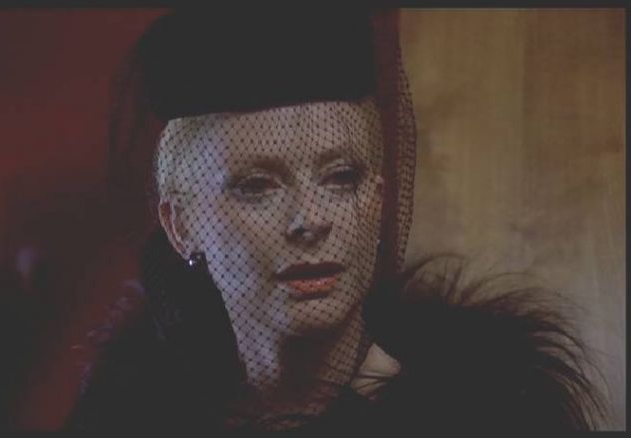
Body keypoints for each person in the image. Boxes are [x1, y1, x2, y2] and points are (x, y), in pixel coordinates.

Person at [65, 6, 605, 433]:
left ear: (377, 200)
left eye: (340, 177)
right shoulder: (129, 411)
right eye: (257, 186)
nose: (311, 221)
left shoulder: (489, 412)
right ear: (181, 225)